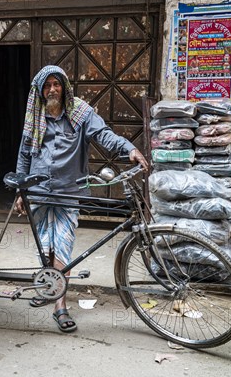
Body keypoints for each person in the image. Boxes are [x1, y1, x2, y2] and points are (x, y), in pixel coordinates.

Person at [13, 65, 148, 333]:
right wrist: (20, 189)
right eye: (47, 85)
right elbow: (25, 154)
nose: (52, 89)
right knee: (45, 245)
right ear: (40, 90)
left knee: (62, 246)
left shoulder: (81, 113)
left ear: (64, 87)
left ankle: (60, 306)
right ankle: (47, 287)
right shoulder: (35, 115)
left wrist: (129, 149)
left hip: (67, 191)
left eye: (57, 84)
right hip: (38, 191)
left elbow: (104, 135)